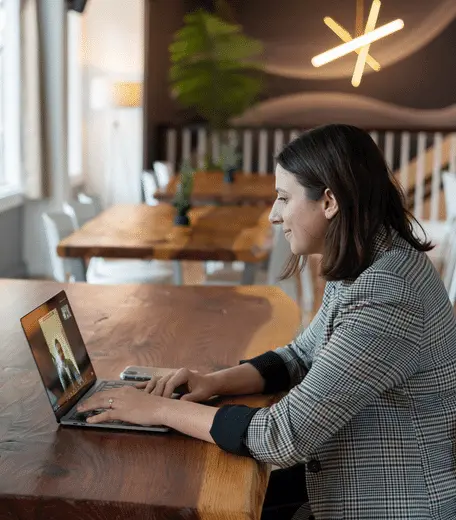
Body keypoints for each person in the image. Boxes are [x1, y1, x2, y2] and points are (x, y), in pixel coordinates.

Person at [77, 124, 456, 520]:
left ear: (329, 201)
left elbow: (282, 436)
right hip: (346, 482)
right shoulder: (369, 260)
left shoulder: (388, 290)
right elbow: (300, 356)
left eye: (283, 198)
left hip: (394, 505)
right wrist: (212, 382)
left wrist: (157, 411)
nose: (274, 215)